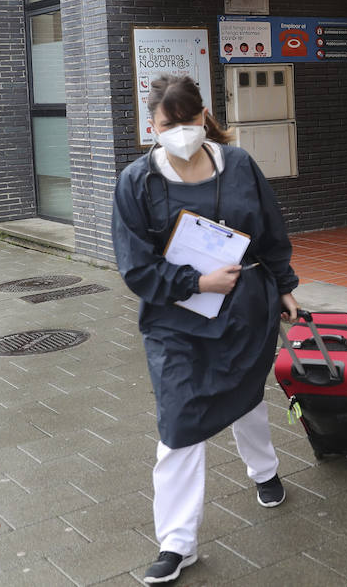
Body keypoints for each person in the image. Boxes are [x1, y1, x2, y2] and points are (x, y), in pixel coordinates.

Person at [112, 75, 301, 584]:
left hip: (242, 309)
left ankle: (264, 472)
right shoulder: (136, 182)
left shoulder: (237, 164)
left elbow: (269, 229)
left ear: (204, 116)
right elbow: (136, 267)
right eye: (168, 124)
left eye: (189, 120)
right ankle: (176, 543)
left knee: (246, 395)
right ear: (152, 126)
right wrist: (197, 282)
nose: (181, 131)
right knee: (179, 423)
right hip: (174, 321)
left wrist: (285, 286)